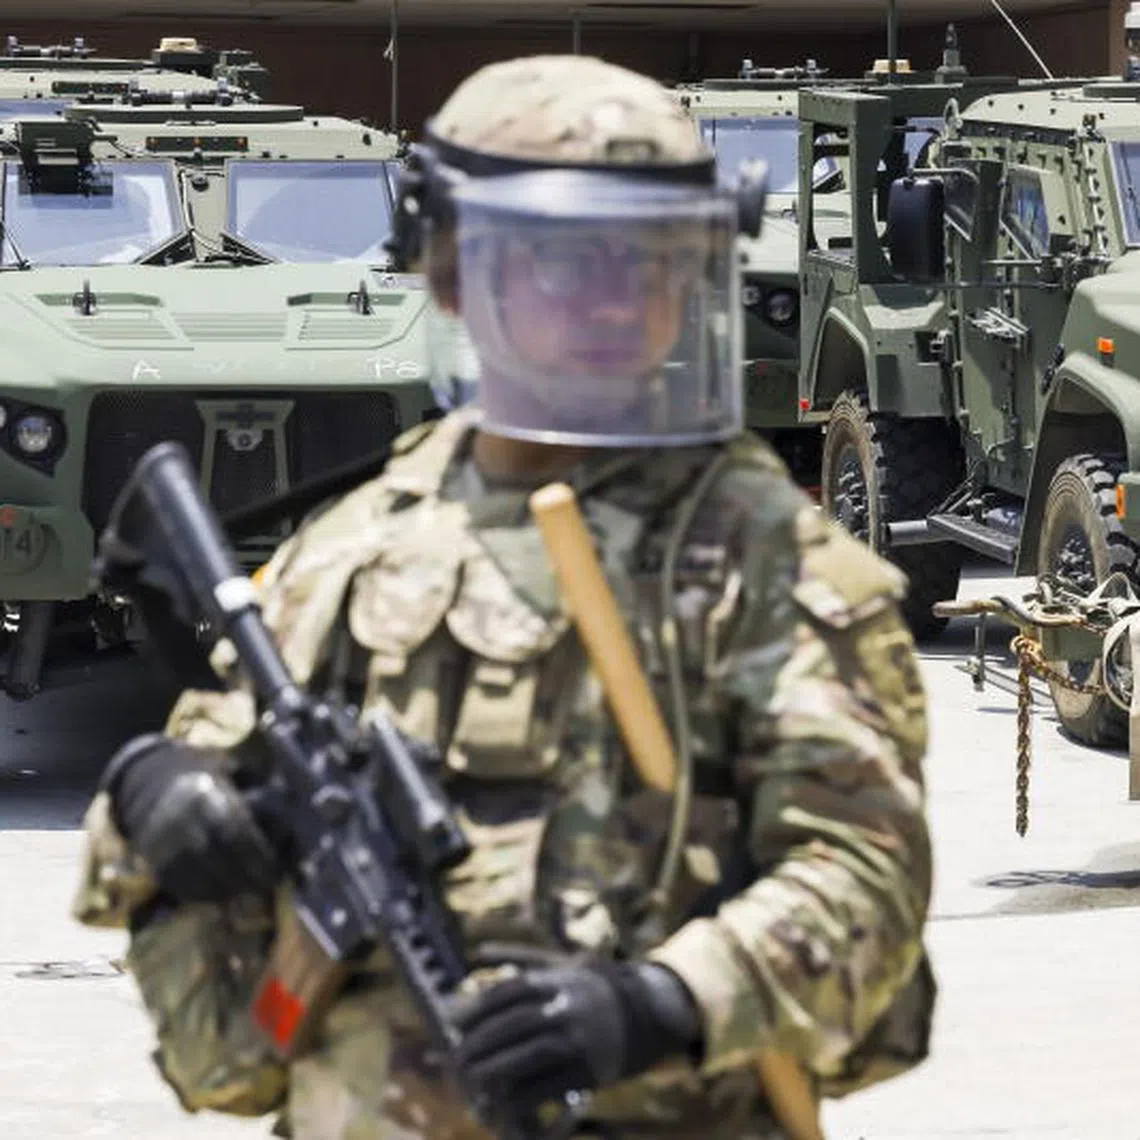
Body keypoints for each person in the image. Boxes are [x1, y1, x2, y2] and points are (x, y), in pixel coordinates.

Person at [72, 53, 935, 1140]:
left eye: (653, 258)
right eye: (564, 259)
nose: (616, 296)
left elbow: (868, 872)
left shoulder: (771, 559)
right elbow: (199, 779)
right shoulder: (356, 546)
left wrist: (663, 1001)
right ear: (452, 276)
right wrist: (153, 791)